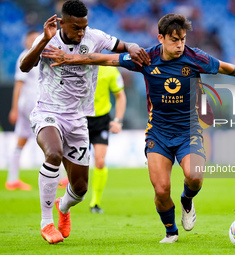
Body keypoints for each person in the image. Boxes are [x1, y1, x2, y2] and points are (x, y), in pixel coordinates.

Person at [42, 13, 235, 243]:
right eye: (174, 40)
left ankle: (186, 200)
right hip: (158, 133)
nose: (180, 44)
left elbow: (225, 67)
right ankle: (171, 232)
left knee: (194, 178)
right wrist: (69, 59)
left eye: (182, 39)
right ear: (161, 38)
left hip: (188, 130)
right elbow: (104, 59)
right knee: (161, 190)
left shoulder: (194, 57)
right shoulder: (146, 58)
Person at [20, 0, 149, 244]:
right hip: (48, 111)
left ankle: (63, 208)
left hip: (78, 118)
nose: (81, 32)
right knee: (54, 154)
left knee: (80, 189)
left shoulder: (94, 37)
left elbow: (122, 44)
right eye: (76, 28)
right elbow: (25, 66)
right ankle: (46, 222)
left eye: (84, 27)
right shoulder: (47, 39)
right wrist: (44, 42)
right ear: (63, 23)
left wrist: (131, 46)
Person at [88, 65, 126, 214]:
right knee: (78, 163)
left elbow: (120, 95)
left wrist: (118, 120)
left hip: (101, 120)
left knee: (100, 161)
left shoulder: (110, 70)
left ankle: (95, 202)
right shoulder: (77, 67)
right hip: (79, 118)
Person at [6, 30, 40, 191]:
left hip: (28, 105)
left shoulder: (39, 56)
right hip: (31, 105)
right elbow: (19, 84)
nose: (34, 41)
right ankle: (61, 178)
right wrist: (14, 108)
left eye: (36, 39)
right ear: (26, 41)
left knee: (21, 140)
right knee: (52, 138)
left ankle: (12, 180)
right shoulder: (26, 56)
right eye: (31, 39)